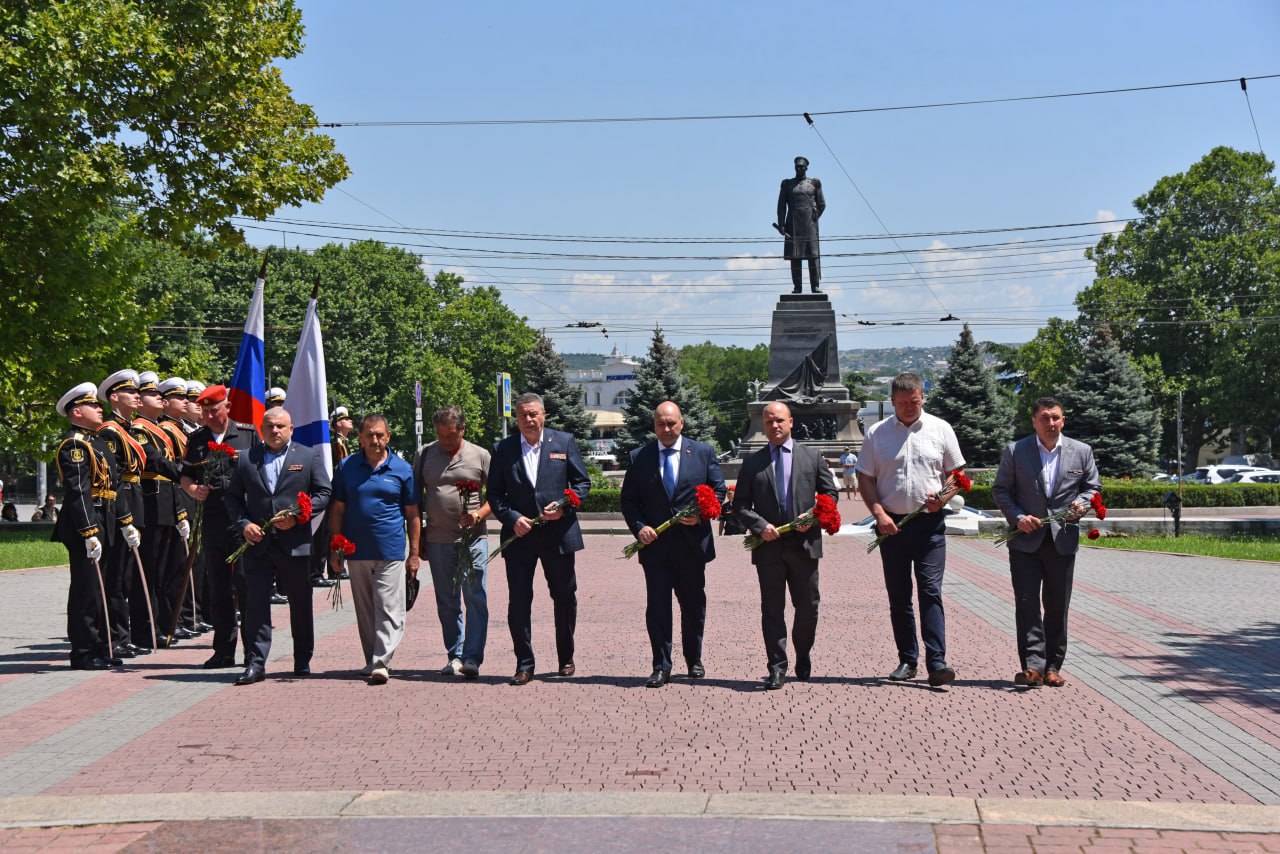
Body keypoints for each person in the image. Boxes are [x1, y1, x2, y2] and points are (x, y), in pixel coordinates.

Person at [857, 373, 965, 689]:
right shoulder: (877, 433)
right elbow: (865, 478)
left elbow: (957, 475)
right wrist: (878, 514)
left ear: (922, 398)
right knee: (900, 596)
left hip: (930, 525)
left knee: (930, 591)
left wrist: (942, 498)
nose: (908, 408)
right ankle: (907, 659)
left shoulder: (940, 429)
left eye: (914, 402)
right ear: (892, 402)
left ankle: (937, 662)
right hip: (891, 526)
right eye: (902, 403)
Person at [992, 397, 1100, 688]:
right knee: (1026, 604)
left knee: (1057, 605)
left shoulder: (1081, 451)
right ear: (1034, 421)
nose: (1051, 423)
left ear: (1063, 420)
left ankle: (1053, 665)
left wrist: (1082, 503)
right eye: (1045, 418)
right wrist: (1017, 517)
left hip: (1062, 539)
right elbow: (1001, 490)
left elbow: (1092, 487)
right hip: (1025, 541)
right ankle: (1033, 667)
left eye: (1056, 418)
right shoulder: (1016, 451)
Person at [733, 401, 839, 689]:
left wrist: (814, 517)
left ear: (791, 422)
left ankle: (803, 653)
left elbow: (830, 496)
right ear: (763, 425)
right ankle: (777, 667)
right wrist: (758, 525)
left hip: (804, 545)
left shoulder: (812, 456)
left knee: (808, 607)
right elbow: (740, 503)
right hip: (768, 547)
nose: (774, 426)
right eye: (768, 422)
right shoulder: (753, 462)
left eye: (779, 420)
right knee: (772, 608)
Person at [487, 392, 591, 686]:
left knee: (564, 596)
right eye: (522, 415)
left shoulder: (564, 442)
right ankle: (524, 663)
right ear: (515, 418)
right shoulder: (503, 449)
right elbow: (494, 495)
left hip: (558, 535)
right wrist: (511, 518)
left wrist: (564, 506)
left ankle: (565, 657)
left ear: (544, 415)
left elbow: (582, 484)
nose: (529, 420)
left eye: (533, 414)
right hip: (520, 537)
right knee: (519, 601)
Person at [620, 401, 726, 687]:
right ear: (654, 425)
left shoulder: (703, 453)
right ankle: (661, 665)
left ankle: (694, 659)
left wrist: (702, 515)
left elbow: (718, 491)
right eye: (660, 424)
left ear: (682, 423)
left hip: (691, 546)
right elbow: (628, 500)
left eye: (671, 423)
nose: (666, 429)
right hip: (655, 548)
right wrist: (639, 527)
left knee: (693, 606)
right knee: (657, 608)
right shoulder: (639, 457)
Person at [224, 407, 331, 685]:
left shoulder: (308, 456)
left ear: (291, 429)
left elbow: (323, 493)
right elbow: (233, 498)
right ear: (261, 429)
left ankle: (302, 659)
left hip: (294, 544)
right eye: (270, 426)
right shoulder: (247, 459)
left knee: (300, 603)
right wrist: (244, 523)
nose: (275, 431)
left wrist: (297, 517)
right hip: (257, 544)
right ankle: (256, 663)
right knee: (256, 605)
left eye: (281, 426)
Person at [328, 414, 419, 685]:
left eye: (380, 435)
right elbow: (338, 509)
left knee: (389, 607)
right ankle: (372, 657)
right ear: (361, 437)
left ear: (388, 437)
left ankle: (382, 660)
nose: (375, 440)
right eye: (370, 435)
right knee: (366, 610)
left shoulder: (402, 469)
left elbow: (413, 513)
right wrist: (335, 547)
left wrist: (414, 553)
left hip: (390, 549)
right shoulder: (347, 466)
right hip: (355, 550)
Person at [53, 382, 139, 669]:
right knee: (87, 590)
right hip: (86, 522)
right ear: (77, 412)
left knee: (108, 586)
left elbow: (116, 487)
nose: (99, 408)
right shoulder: (73, 445)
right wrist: (89, 532)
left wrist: (127, 523)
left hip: (108, 519)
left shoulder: (96, 442)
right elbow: (78, 491)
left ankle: (103, 646)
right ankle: (83, 651)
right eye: (91, 405)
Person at [179, 384, 260, 669]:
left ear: (227, 407)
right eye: (205, 412)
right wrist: (193, 490)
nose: (210, 417)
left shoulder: (248, 434)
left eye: (215, 411)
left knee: (247, 587)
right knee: (219, 588)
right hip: (213, 521)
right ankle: (223, 651)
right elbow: (185, 475)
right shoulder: (197, 439)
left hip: (243, 522)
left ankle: (253, 652)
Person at [414, 406, 492, 679]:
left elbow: (496, 496)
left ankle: (472, 657)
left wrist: (478, 514)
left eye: (451, 435)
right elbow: (415, 498)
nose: (445, 441)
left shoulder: (480, 455)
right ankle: (455, 654)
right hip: (438, 540)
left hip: (473, 540)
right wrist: (418, 540)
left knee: (475, 597)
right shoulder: (425, 454)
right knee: (447, 600)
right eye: (441, 435)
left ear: (463, 429)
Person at [131, 371, 191, 648]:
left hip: (167, 502)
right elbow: (154, 461)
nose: (159, 398)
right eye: (152, 394)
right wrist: (186, 473)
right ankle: (148, 629)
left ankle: (165, 624)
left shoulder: (157, 429)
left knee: (168, 571)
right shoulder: (138, 430)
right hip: (151, 503)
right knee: (151, 572)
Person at [777, 155, 826, 294]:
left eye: (801, 167)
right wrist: (781, 224)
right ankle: (797, 286)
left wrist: (815, 217)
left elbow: (822, 204)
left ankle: (814, 286)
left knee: (812, 256)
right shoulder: (787, 185)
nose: (799, 169)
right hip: (792, 225)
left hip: (809, 224)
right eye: (797, 167)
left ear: (806, 168)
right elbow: (781, 206)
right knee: (795, 257)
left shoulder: (814, 184)